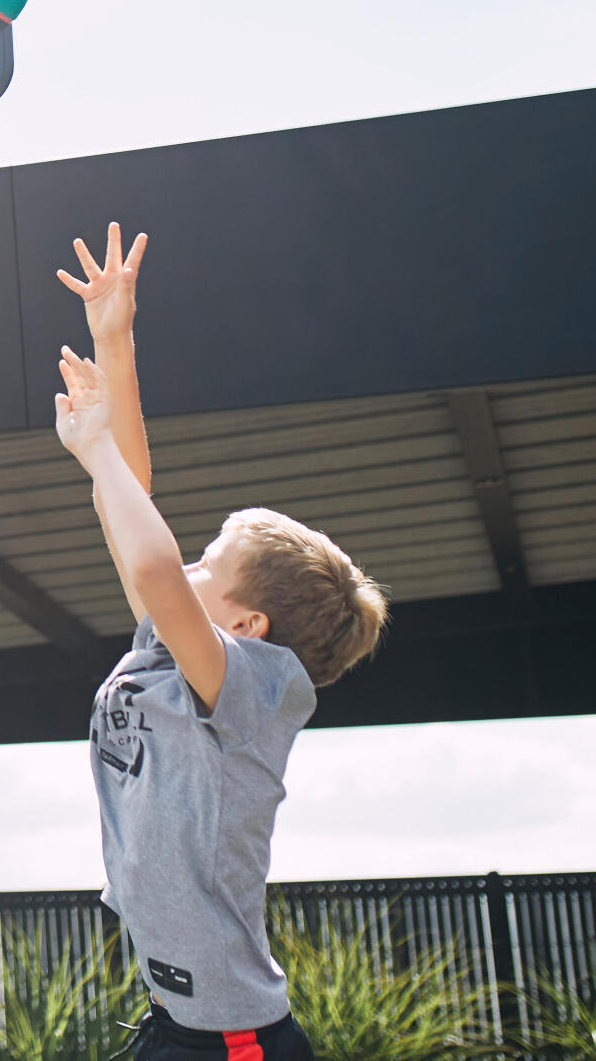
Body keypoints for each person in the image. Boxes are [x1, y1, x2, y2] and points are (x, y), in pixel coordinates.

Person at [54, 224, 389, 1061]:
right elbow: (130, 497)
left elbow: (156, 561)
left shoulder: (249, 686)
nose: (188, 563)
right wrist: (114, 338)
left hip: (233, 1043)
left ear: (248, 627)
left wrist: (95, 448)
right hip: (185, 1029)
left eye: (213, 561)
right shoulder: (173, 655)